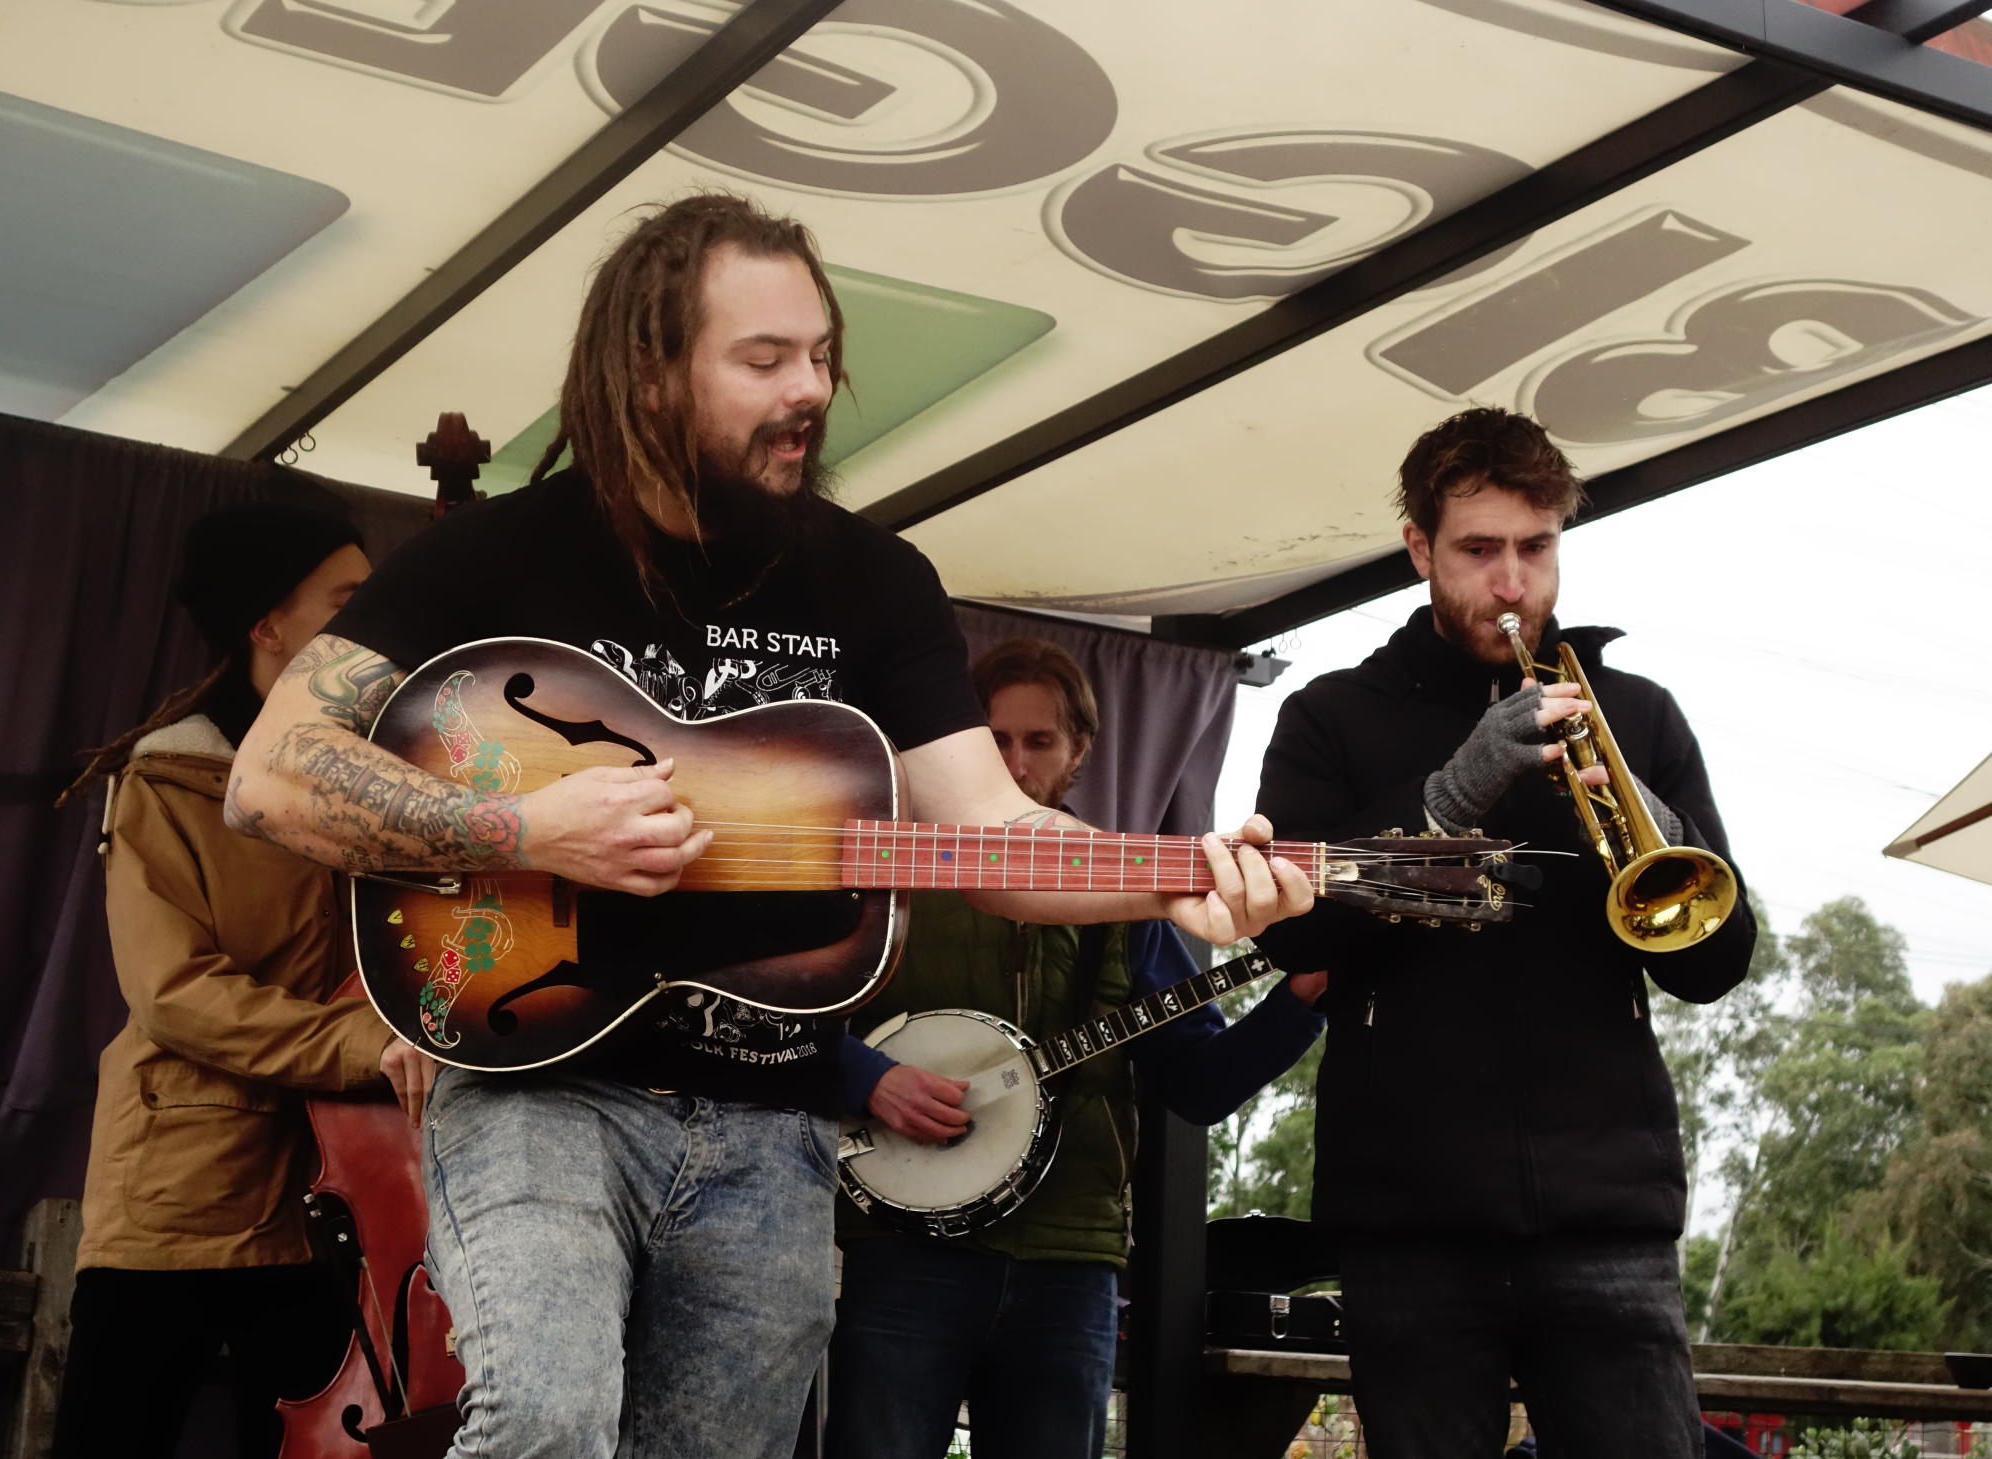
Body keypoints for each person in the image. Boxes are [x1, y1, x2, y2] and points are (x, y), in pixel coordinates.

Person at [224, 191, 1316, 1459]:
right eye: (763, 359)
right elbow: (274, 775)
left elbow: (992, 831)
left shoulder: (874, 580)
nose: (809, 390)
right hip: (539, 1085)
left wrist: (1176, 880)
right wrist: (522, 829)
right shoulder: (498, 554)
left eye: (819, 355)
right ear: (647, 371)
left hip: (774, 1120)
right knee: (545, 1420)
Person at [1252, 408, 1759, 1458]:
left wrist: (1654, 822)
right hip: (1410, 1218)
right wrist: (1448, 796)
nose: (1513, 583)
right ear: (1419, 549)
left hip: (1608, 1211)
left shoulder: (1639, 713)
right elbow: (1292, 940)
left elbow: (1716, 964)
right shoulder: (1329, 716)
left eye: (1536, 547)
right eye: (1479, 549)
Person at [827, 637, 1328, 1459]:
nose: (1016, 765)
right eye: (995, 741)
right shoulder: (897, 879)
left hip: (1068, 1264)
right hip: (903, 1249)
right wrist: (869, 1078)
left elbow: (1198, 1083)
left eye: (1040, 740)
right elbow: (789, 1018)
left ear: (1080, 751)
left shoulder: (1126, 898)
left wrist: (1300, 1000)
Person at [52, 502, 432, 1459]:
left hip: (335, 1198)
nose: (372, 621)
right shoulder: (169, 781)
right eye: (346, 601)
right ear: (267, 628)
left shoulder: (384, 779)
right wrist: (366, 1042)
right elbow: (174, 993)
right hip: (181, 1187)